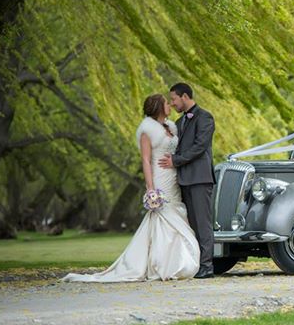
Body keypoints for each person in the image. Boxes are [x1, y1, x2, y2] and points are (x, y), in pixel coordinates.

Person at [62, 95, 200, 282]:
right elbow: (145, 159)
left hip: (173, 176)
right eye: (167, 103)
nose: (170, 105)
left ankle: (176, 260)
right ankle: (162, 263)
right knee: (163, 216)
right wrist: (150, 187)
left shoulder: (170, 128)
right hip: (159, 176)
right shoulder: (147, 130)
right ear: (159, 107)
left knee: (175, 213)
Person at [158, 83, 216, 279]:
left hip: (200, 178)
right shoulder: (180, 122)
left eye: (173, 99)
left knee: (203, 223)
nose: (172, 103)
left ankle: (207, 266)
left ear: (184, 96)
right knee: (191, 224)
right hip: (183, 179)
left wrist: (175, 161)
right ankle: (195, 263)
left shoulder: (205, 117)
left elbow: (200, 147)